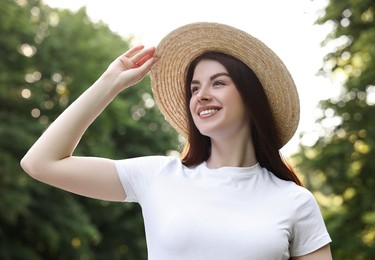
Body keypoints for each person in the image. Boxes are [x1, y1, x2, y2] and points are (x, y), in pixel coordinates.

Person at [21, 22, 332, 259]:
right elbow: (41, 163)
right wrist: (108, 84)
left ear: (251, 98)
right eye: (194, 88)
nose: (201, 95)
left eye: (219, 82)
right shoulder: (157, 176)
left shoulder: (295, 201)